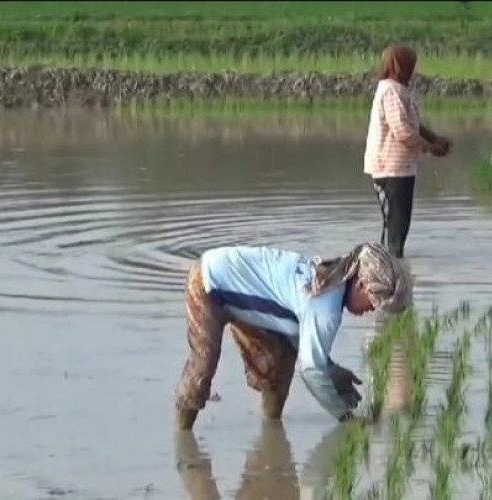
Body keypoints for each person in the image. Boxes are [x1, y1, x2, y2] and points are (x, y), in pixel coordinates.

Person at [174, 241, 412, 430]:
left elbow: (303, 343)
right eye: (373, 301)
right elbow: (310, 371)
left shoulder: (332, 277)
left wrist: (331, 370)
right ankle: (181, 436)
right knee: (202, 367)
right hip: (209, 282)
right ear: (360, 285)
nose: (371, 309)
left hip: (246, 296)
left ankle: (271, 431)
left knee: (280, 363)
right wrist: (346, 417)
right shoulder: (326, 306)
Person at [364, 43, 452, 258]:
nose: (413, 69)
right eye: (410, 65)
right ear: (401, 66)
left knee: (400, 219)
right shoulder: (391, 92)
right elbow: (403, 131)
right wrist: (430, 148)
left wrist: (434, 138)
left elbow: (412, 124)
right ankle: (390, 264)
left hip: (400, 167)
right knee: (395, 220)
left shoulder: (399, 90)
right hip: (390, 167)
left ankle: (393, 261)